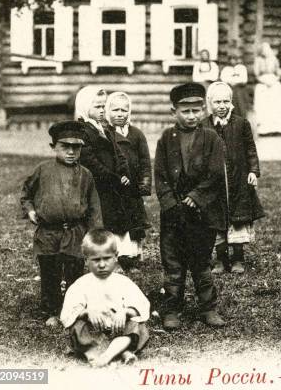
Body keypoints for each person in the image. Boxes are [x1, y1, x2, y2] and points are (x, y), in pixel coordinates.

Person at [154, 82, 227, 329]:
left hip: (202, 213)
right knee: (173, 263)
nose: (191, 116)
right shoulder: (166, 138)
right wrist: (170, 203)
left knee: (201, 261)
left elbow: (216, 173)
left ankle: (208, 307)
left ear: (204, 110)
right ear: (173, 111)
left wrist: (196, 196)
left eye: (196, 110)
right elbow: (161, 175)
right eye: (185, 111)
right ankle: (171, 309)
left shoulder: (211, 138)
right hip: (173, 213)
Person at [20, 121, 102, 327]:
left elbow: (94, 206)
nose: (71, 152)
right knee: (50, 273)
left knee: (74, 271)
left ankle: (73, 310)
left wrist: (95, 234)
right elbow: (26, 194)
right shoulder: (43, 170)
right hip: (48, 233)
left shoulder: (86, 174)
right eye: (65, 147)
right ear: (54, 147)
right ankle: (51, 310)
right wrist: (30, 210)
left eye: (76, 148)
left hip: (75, 232)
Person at [60, 229, 150, 367]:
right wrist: (87, 312)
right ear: (86, 260)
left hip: (118, 328)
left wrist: (124, 312)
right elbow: (69, 313)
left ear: (116, 256)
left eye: (107, 258)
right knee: (77, 328)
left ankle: (107, 355)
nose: (102, 265)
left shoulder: (123, 282)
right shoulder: (81, 284)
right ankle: (109, 353)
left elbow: (141, 306)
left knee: (138, 327)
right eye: (96, 260)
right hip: (94, 329)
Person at [203, 82, 265, 274]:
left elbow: (250, 150)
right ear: (209, 103)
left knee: (238, 219)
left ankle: (238, 258)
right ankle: (220, 259)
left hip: (238, 181)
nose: (221, 106)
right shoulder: (204, 126)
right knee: (217, 219)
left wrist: (253, 171)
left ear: (231, 102)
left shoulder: (241, 124)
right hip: (215, 183)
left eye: (225, 101)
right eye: (217, 102)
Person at [75, 86, 135, 270]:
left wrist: (124, 173)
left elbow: (119, 153)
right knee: (101, 221)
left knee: (117, 220)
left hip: (113, 185)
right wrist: (115, 178)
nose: (102, 111)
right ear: (86, 107)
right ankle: (99, 256)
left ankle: (119, 255)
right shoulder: (84, 131)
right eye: (97, 107)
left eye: (103, 106)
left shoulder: (106, 129)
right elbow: (91, 162)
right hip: (98, 186)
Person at [105, 92, 152, 269]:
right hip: (114, 187)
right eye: (115, 109)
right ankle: (117, 255)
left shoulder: (136, 134)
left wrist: (144, 183)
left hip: (132, 187)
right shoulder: (106, 134)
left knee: (134, 220)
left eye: (124, 110)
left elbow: (145, 160)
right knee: (117, 221)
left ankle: (132, 254)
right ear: (108, 111)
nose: (119, 114)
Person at [253, 42, 281, 135]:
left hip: (274, 82)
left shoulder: (274, 59)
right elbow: (256, 74)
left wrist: (274, 80)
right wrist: (264, 81)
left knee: (275, 105)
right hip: (263, 83)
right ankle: (264, 130)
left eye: (267, 49)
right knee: (264, 106)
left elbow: (278, 73)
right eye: (264, 49)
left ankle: (277, 129)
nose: (266, 51)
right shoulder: (258, 60)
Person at [220, 50, 250, 118]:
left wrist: (235, 82)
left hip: (240, 88)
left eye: (235, 59)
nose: (233, 61)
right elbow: (223, 79)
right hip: (229, 88)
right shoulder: (226, 69)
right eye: (231, 59)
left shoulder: (241, 68)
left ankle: (242, 118)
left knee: (240, 101)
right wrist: (231, 82)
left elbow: (244, 80)